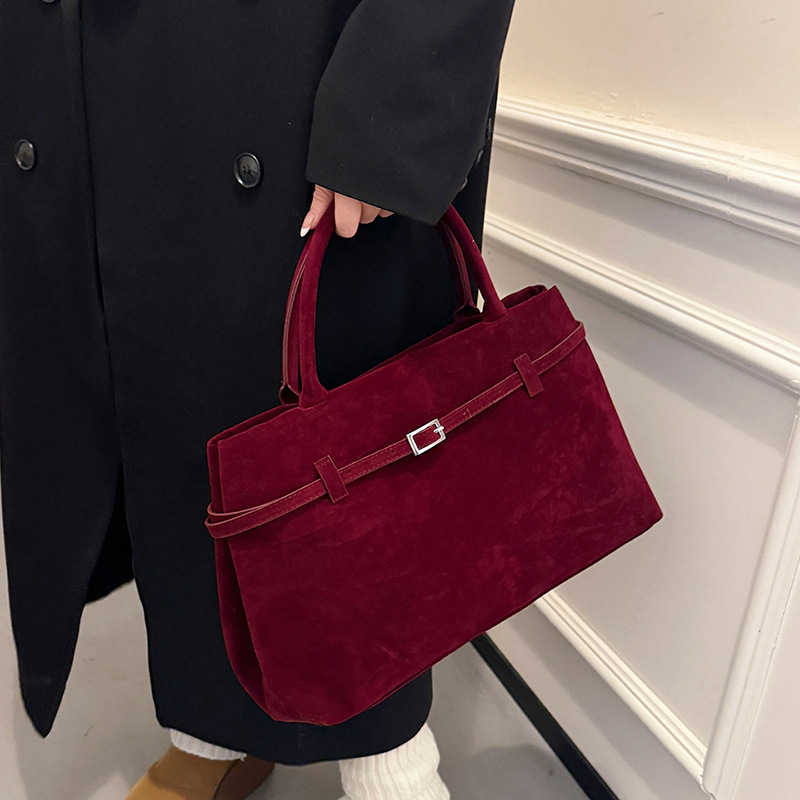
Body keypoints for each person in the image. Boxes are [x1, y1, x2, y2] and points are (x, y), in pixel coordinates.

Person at [0, 1, 516, 798]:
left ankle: (393, 765)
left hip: (304, 72)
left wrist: (394, 102)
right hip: (111, 74)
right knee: (181, 426)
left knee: (345, 452)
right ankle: (213, 732)